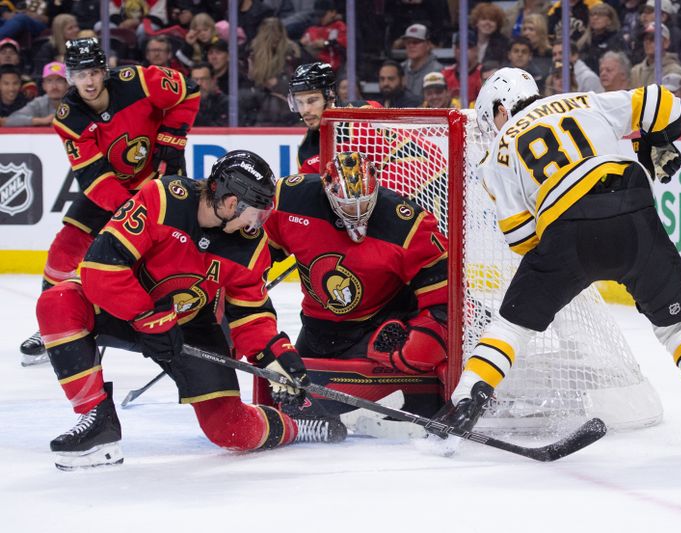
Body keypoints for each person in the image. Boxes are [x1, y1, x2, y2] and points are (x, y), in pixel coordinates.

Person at [432, 67, 681, 454]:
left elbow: (522, 239)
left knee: (511, 328)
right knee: (678, 326)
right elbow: (666, 103)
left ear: (501, 108)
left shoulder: (496, 155)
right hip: (634, 212)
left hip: (567, 233)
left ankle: (463, 408)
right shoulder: (583, 100)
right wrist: (656, 143)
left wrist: (562, 264)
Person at [36, 150, 346, 470]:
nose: (256, 224)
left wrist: (276, 355)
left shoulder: (250, 246)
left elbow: (251, 314)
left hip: (191, 326)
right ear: (230, 203)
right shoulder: (162, 199)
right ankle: (97, 420)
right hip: (127, 308)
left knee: (230, 430)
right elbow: (101, 268)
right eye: (255, 213)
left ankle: (295, 426)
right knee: (58, 302)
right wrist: (150, 318)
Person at [19, 38, 199, 363]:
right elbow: (94, 177)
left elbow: (188, 90)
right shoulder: (68, 118)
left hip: (158, 180)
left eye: (93, 72)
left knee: (173, 249)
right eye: (79, 75)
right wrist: (129, 209)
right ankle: (53, 322)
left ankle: (190, 313)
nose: (88, 82)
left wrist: (172, 139)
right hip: (111, 189)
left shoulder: (138, 81)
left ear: (104, 71)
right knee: (64, 248)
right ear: (70, 77)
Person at [264, 151, 449, 415]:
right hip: (317, 328)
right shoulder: (290, 199)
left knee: (311, 410)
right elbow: (253, 255)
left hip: (374, 328)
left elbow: (443, 285)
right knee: (291, 408)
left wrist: (430, 329)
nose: (357, 212)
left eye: (364, 202)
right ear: (327, 191)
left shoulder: (405, 223)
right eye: (348, 204)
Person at [288, 61, 379, 174]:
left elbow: (395, 162)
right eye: (299, 103)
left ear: (330, 96)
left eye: (312, 101)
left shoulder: (363, 116)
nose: (305, 110)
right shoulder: (305, 151)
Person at [4, 61, 68, 127]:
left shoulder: (74, 102)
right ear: (44, 85)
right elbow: (11, 120)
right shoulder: (39, 103)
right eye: (49, 81)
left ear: (67, 84)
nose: (54, 86)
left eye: (59, 81)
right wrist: (42, 121)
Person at [630, 22, 681, 88]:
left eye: (652, 38)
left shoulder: (674, 70)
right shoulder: (635, 71)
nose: (647, 42)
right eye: (645, 39)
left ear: (666, 43)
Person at [400, 23, 443, 100]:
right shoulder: (400, 69)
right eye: (408, 42)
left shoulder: (438, 71)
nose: (411, 45)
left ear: (428, 45)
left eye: (416, 42)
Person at [191, 62, 229, 127]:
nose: (199, 83)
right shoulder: (185, 104)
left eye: (204, 79)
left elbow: (221, 129)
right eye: (195, 79)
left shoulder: (225, 103)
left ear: (213, 80)